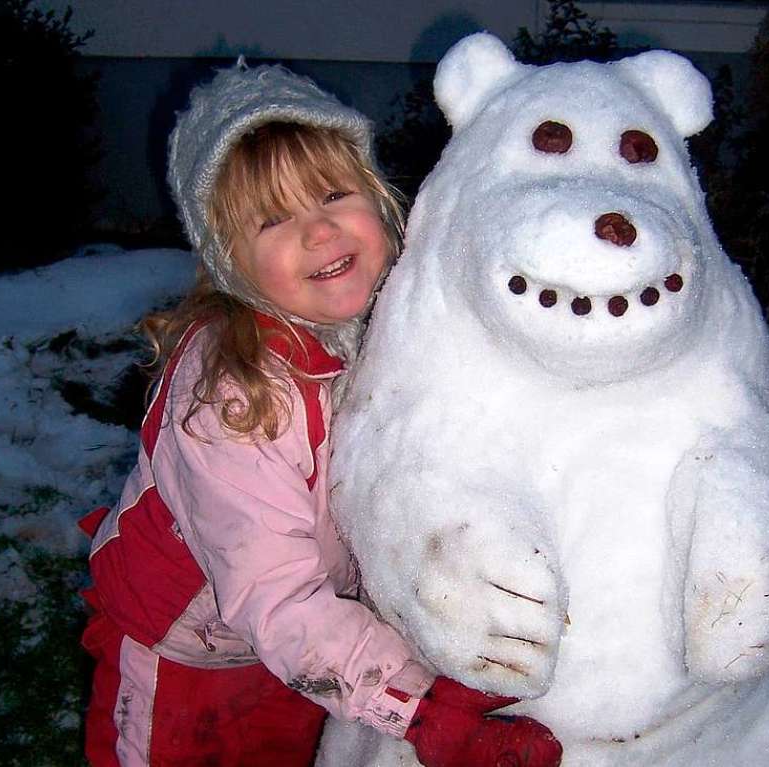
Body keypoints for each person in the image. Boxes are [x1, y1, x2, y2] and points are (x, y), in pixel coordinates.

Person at [79, 60, 563, 767]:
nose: (318, 230)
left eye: (334, 193)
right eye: (273, 219)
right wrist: (421, 707)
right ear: (229, 262)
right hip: (190, 656)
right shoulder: (234, 399)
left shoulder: (387, 324)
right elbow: (275, 598)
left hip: (309, 639)